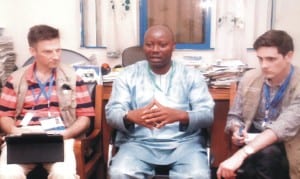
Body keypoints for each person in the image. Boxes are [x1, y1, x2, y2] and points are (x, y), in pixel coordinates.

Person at [105, 24, 215, 179]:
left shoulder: (191, 75)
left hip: (184, 145)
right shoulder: (127, 75)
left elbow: (207, 115)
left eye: (162, 45)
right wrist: (129, 116)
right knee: (120, 172)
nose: (155, 50)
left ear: (173, 47)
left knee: (197, 175)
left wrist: (179, 115)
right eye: (149, 45)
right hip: (138, 144)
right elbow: (112, 113)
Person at [0, 24, 95, 179]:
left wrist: (66, 134)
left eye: (58, 50)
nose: (56, 56)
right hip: (24, 136)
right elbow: (4, 116)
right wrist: (15, 132)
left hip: (60, 135)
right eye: (48, 51)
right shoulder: (15, 79)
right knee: (8, 174)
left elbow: (85, 117)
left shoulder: (72, 78)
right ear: (33, 51)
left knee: (63, 174)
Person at [217, 30, 300, 179]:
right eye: (260, 59)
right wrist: (237, 129)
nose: (264, 65)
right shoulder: (250, 78)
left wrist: (242, 154)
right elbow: (234, 116)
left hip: (288, 143)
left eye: (271, 59)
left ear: (288, 56)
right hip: (252, 138)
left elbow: (282, 127)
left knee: (267, 155)